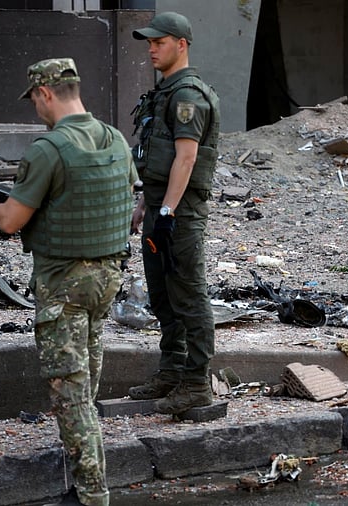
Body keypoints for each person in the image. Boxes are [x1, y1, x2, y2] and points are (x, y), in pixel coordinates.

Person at [0, 58, 135, 506]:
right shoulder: (115, 139)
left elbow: (9, 221)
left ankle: (90, 494)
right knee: (85, 385)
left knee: (71, 395)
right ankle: (83, 481)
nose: (35, 110)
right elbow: (122, 199)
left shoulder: (49, 149)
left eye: (34, 100)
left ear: (45, 93)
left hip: (64, 282)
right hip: (106, 278)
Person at [127, 11, 221, 415]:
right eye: (149, 43)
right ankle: (172, 372)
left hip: (180, 212)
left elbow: (186, 158)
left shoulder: (187, 96)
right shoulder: (166, 91)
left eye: (158, 42)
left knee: (189, 295)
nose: (151, 49)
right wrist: (146, 203)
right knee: (163, 294)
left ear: (180, 45)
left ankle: (197, 382)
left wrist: (166, 211)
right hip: (161, 206)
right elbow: (161, 158)